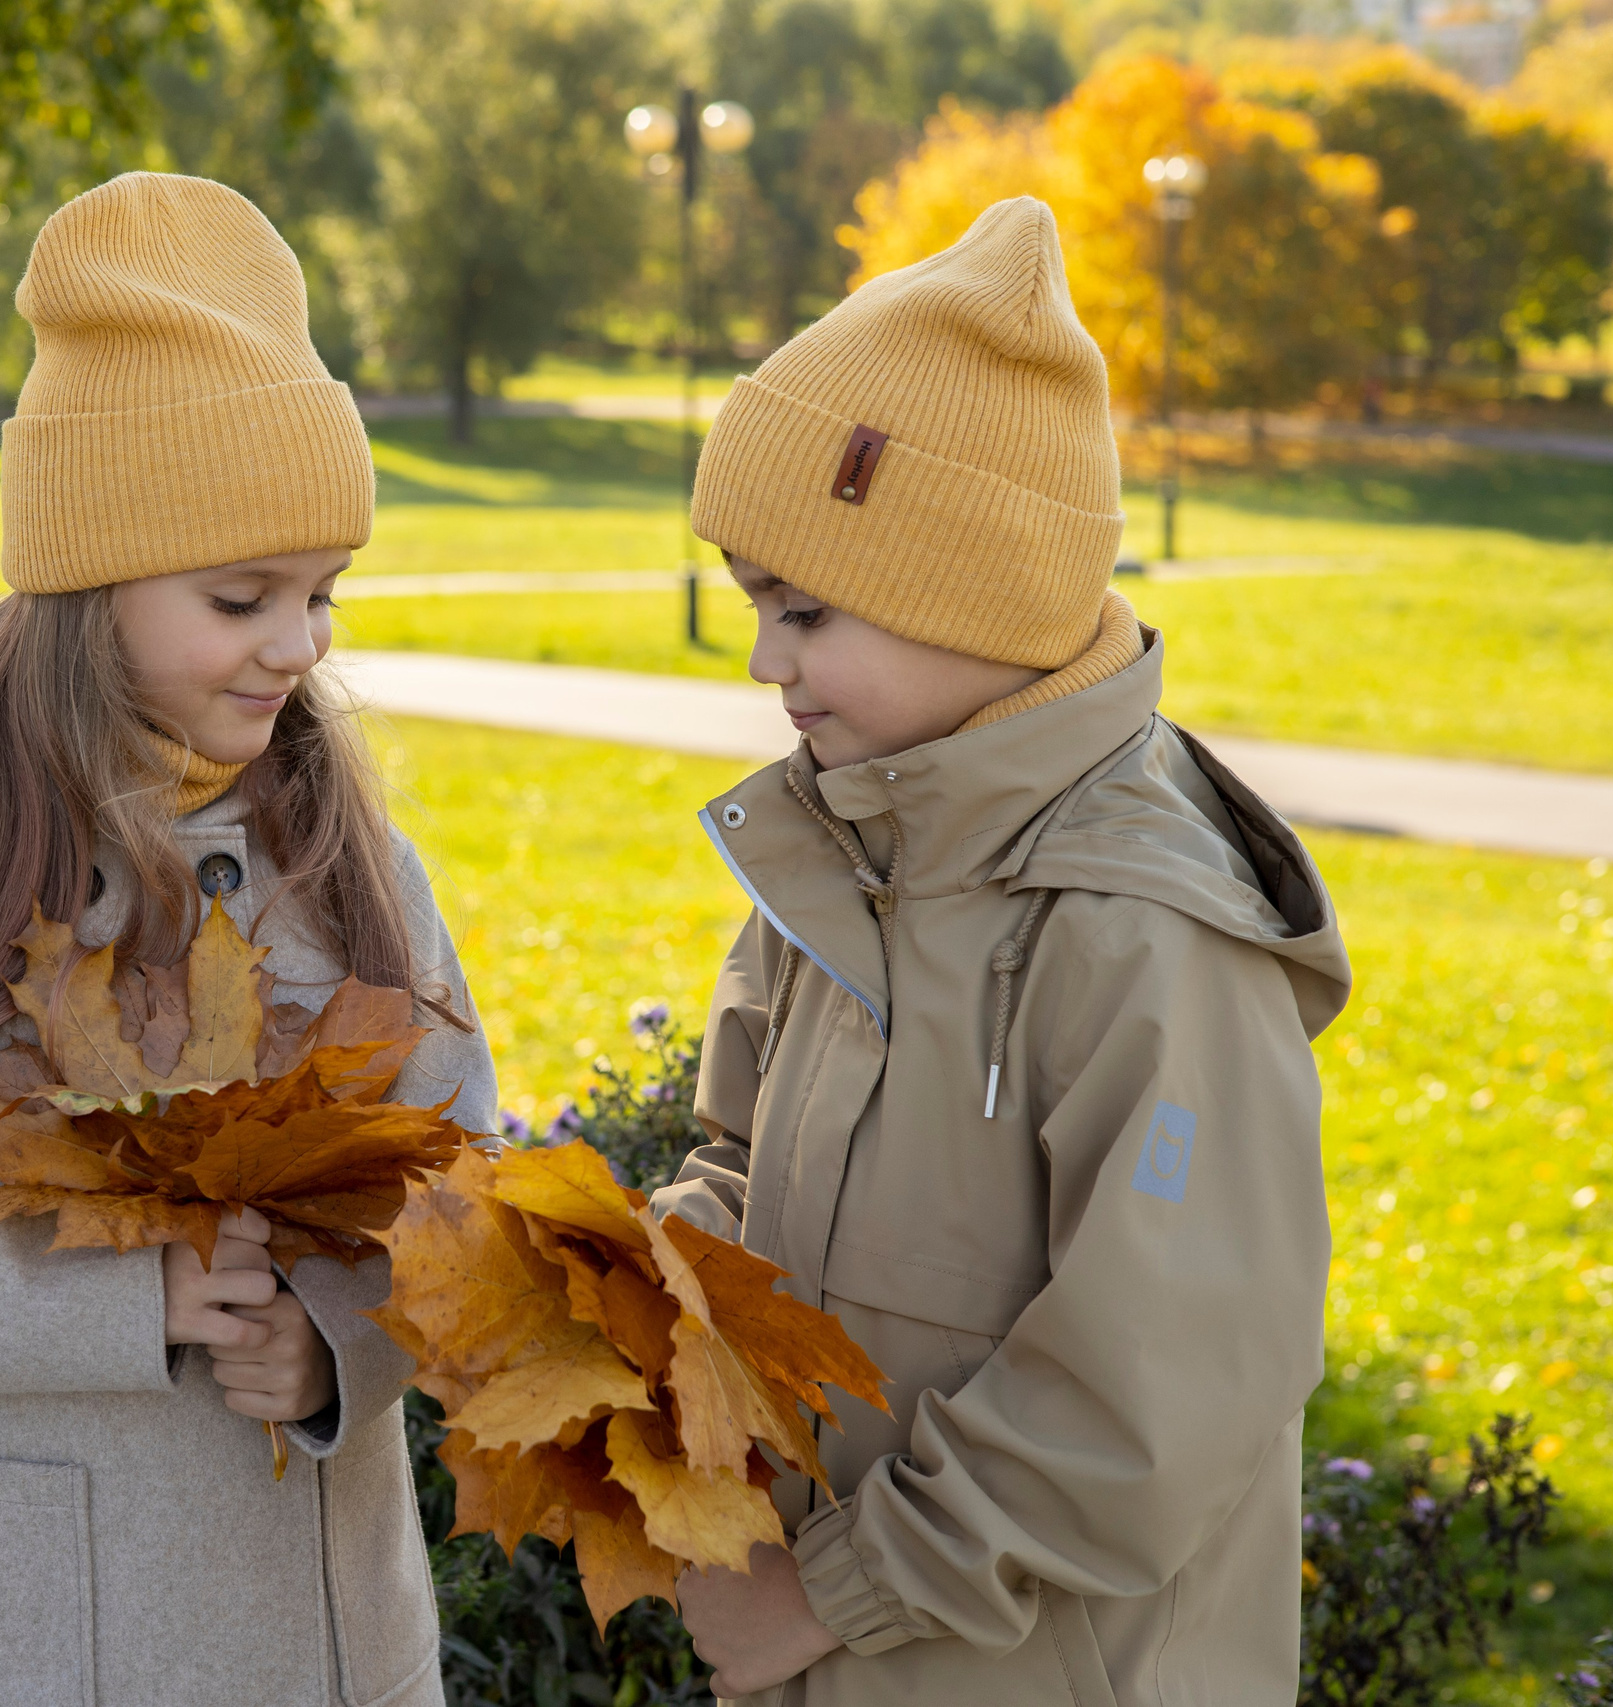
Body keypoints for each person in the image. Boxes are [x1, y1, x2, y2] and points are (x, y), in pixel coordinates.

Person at [0, 173, 494, 1707]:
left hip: (317, 1637)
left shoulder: (345, 862)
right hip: (4, 1635)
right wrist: (124, 1293)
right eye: (240, 595)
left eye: (322, 594)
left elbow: (460, 1182)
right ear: (86, 581)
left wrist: (342, 1343)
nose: (299, 643)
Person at [650, 198, 1352, 1703]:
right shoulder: (846, 851)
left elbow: (1154, 1388)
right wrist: (623, 1289)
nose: (767, 659)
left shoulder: (1146, 934)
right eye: (754, 604)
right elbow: (739, 1157)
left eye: (805, 608)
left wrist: (828, 1589)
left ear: (969, 592)